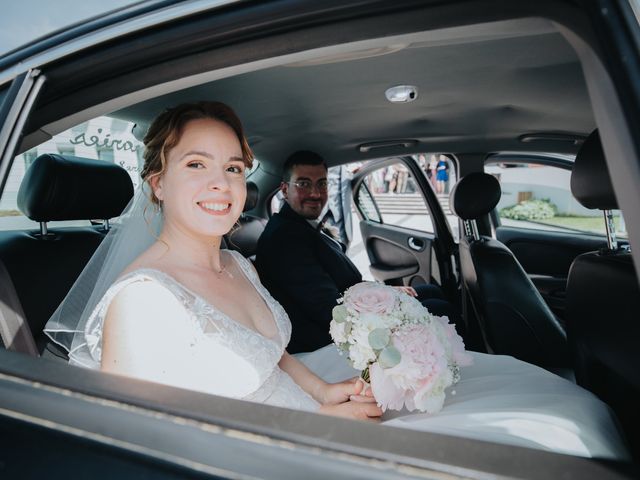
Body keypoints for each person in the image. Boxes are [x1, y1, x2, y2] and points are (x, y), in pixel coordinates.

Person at [44, 102, 381, 421]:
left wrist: (323, 392)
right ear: (159, 184)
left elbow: (272, 355)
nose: (221, 183)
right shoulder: (141, 300)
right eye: (196, 164)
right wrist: (319, 424)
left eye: (232, 168)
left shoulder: (239, 265)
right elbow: (146, 440)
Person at [255, 151, 457, 353]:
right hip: (328, 336)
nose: (315, 193)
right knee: (440, 310)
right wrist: (384, 298)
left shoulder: (298, 226)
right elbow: (328, 309)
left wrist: (383, 291)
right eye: (304, 184)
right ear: (284, 190)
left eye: (322, 184)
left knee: (431, 292)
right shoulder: (286, 239)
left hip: (347, 307)